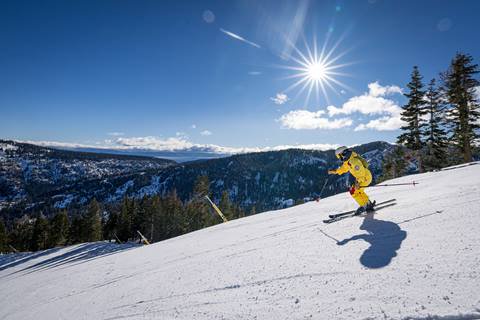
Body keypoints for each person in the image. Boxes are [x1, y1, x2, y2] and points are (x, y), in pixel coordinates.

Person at [328, 146, 375, 215]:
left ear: (342, 154)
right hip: (363, 178)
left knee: (353, 191)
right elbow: (344, 168)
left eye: (339, 156)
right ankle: (367, 203)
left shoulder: (354, 161)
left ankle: (365, 205)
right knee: (359, 191)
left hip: (364, 178)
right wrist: (335, 171)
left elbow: (361, 172)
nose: (339, 158)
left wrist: (358, 182)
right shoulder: (348, 160)